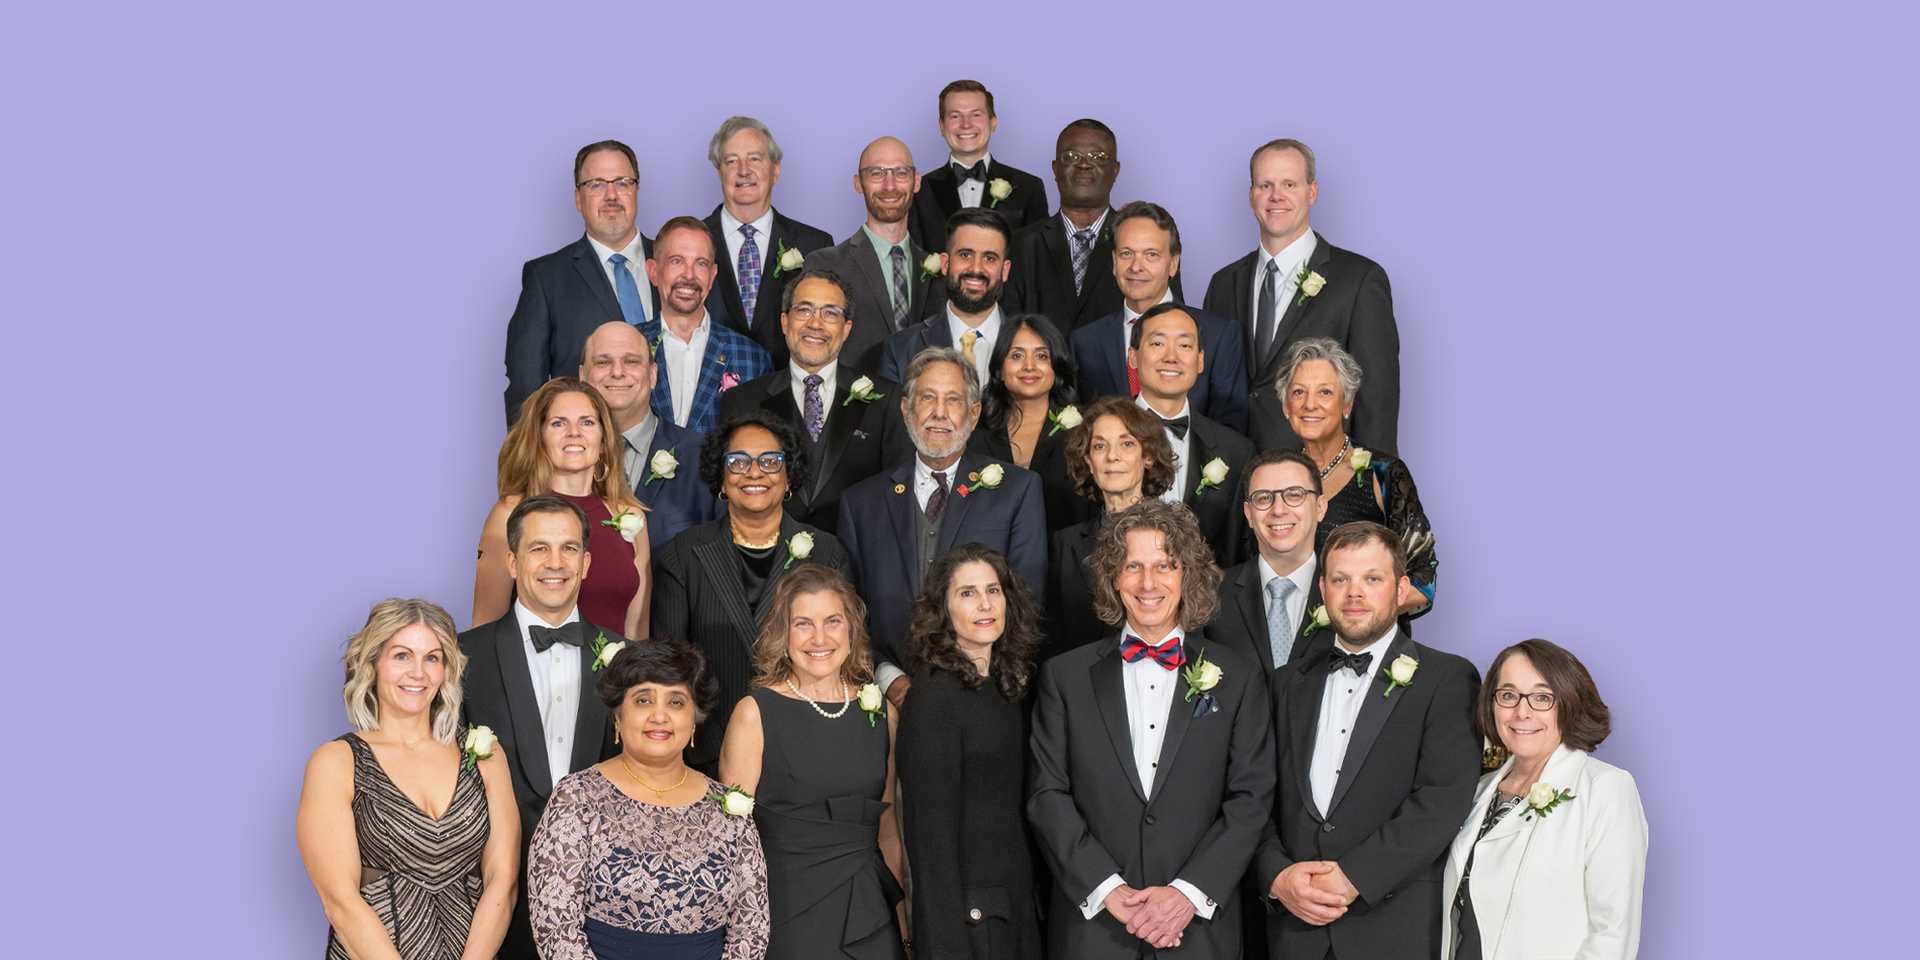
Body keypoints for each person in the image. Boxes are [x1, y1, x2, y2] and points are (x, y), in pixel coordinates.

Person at [1027, 500, 1274, 958]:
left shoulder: (1239, 676)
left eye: (1165, 565)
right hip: (1095, 930)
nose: (1148, 583)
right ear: (1111, 578)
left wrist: (1187, 894)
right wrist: (1107, 890)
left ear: (1188, 576)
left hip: (1198, 931)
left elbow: (1251, 799)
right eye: (1132, 566)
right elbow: (1047, 795)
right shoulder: (1063, 677)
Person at [1253, 521, 1480, 960]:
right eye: (1341, 579)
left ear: (1400, 589)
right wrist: (1278, 876)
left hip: (1394, 931)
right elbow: (1258, 795)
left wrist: (1354, 876)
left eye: (1372, 579)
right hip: (1294, 934)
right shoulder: (1285, 684)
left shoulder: (1448, 678)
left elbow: (1442, 799)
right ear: (1323, 589)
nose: (1354, 593)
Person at [299, 599, 519, 960]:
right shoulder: (336, 762)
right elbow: (340, 901)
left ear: (446, 669)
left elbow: (503, 880)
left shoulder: (486, 756)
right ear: (373, 663)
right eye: (402, 655)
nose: (418, 672)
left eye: (432, 658)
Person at [528, 638, 771, 960]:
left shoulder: (727, 806)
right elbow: (555, 926)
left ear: (694, 720)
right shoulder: (577, 797)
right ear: (618, 717)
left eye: (676, 702)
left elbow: (752, 925)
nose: (660, 716)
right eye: (643, 701)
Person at [461, 496, 626, 959]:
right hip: (494, 905)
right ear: (512, 562)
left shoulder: (629, 661)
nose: (556, 563)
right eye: (539, 549)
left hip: (606, 907)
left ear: (587, 563)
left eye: (569, 549)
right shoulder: (461, 659)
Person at [837, 347, 1047, 707]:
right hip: (891, 703)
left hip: (988, 698)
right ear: (906, 408)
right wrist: (889, 681)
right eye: (927, 398)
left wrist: (977, 679)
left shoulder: (1018, 490)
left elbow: (1026, 604)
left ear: (974, 412)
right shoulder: (860, 503)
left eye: (953, 400)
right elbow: (848, 614)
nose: (939, 413)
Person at [718, 566, 906, 960]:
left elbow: (887, 829)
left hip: (868, 915)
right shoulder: (754, 713)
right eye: (803, 623)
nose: (819, 638)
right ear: (782, 634)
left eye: (832, 621)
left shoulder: (882, 715)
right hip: (784, 912)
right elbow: (732, 841)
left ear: (851, 630)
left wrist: (903, 927)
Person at [652, 410, 851, 775]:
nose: (755, 472)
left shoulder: (827, 553)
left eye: (771, 461)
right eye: (738, 461)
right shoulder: (684, 554)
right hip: (708, 756)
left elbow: (845, 658)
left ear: (789, 475)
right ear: (720, 478)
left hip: (805, 749)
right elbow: (669, 667)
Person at [1441, 640, 1647, 959]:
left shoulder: (1606, 788)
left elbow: (1612, 932)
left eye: (1541, 698)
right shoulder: (1479, 791)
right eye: (1508, 695)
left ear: (1569, 704)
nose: (1522, 712)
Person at [1202, 138, 1401, 454]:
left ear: (1312, 192)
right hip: (1234, 479)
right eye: (1264, 185)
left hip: (1319, 480)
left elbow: (1376, 403)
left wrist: (1374, 488)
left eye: (1289, 184)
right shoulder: (1223, 284)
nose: (1275, 195)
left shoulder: (1359, 280)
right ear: (1251, 195)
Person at [897, 544, 1045, 959]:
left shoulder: (1007, 683)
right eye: (967, 593)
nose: (984, 604)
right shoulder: (934, 696)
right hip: (970, 924)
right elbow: (930, 842)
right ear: (942, 608)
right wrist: (945, 944)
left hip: (1016, 906)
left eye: (993, 590)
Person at [720, 268, 912, 535]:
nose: (815, 324)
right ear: (785, 322)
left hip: (855, 562)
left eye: (830, 313)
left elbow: (897, 497)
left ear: (846, 329)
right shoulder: (741, 402)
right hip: (768, 563)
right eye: (804, 310)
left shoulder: (886, 398)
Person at [477, 379, 650, 640]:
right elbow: (484, 628)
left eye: (587, 422)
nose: (574, 432)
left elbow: (637, 633)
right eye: (559, 423)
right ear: (539, 437)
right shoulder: (509, 514)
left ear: (604, 440)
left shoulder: (630, 517)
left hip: (615, 678)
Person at [1277, 337, 1435, 618]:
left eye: (1325, 392)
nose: (1309, 404)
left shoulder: (1384, 474)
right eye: (1298, 392)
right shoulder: (1271, 478)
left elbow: (1424, 582)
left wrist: (1351, 616)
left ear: (1347, 404)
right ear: (1286, 406)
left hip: (1364, 644)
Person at [505, 139, 660, 424]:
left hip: (681, 455)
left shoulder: (676, 264)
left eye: (623, 182)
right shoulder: (545, 278)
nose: (612, 195)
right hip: (586, 457)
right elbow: (526, 389)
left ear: (637, 191)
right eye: (597, 184)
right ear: (578, 199)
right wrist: (531, 465)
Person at [1070, 201, 1248, 431]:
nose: (1136, 266)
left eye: (1151, 255)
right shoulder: (1085, 341)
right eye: (1126, 254)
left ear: (1173, 264)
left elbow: (1230, 431)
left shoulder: (1219, 335)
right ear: (1114, 263)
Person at [1047, 397, 1177, 657]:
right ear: (1088, 461)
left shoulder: (1179, 535)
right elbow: (1056, 640)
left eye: (1126, 444)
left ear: (1148, 456)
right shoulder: (1065, 544)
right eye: (1099, 446)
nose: (1112, 456)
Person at [805, 136, 947, 373]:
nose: (890, 186)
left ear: (916, 182)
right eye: (877, 173)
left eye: (900, 173)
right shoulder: (825, 264)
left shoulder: (940, 269)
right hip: (856, 406)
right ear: (858, 183)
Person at [699, 116, 835, 363]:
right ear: (719, 171)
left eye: (754, 159)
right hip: (709, 393)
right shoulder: (693, 242)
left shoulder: (816, 245)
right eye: (731, 161)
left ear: (776, 170)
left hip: (787, 393)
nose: (743, 170)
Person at [1005, 119, 1161, 330]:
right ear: (1055, 169)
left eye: (1098, 157)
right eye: (1071, 156)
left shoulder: (1148, 241)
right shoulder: (1020, 245)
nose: (1084, 164)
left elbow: (1168, 322)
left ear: (1115, 170)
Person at [579, 320, 720, 553]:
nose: (617, 372)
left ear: (653, 375)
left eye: (631, 361)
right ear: (582, 376)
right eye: (603, 362)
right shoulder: (557, 455)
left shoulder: (701, 456)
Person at [1132, 303, 1255, 568]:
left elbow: (1235, 550)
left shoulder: (1235, 451)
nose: (1171, 357)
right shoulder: (1098, 439)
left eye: (1185, 346)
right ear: (1132, 356)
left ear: (1200, 361)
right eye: (1157, 344)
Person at [640, 216, 772, 437]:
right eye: (676, 261)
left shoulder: (753, 358)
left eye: (701, 263)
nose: (689, 275)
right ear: (653, 271)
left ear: (712, 276)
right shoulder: (628, 346)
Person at [1210, 450, 1331, 674]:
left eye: (1294, 495)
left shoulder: (1347, 594)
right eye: (1264, 498)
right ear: (1248, 513)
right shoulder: (1213, 594)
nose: (1278, 510)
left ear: (1320, 507)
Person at [968, 311, 1089, 533]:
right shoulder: (976, 428)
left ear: (1056, 367)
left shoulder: (1085, 431)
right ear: (1000, 369)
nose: (1029, 366)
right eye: (1016, 356)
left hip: (1064, 558)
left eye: (1042, 356)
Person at [878, 207, 1014, 389]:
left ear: (1005, 270)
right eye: (965, 255)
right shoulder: (900, 349)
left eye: (989, 258)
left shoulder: (1032, 347)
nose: (976, 268)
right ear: (945, 263)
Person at [908, 79, 1050, 252]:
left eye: (976, 115)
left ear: (993, 123)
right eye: (955, 116)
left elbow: (1038, 259)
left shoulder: (1029, 188)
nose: (966, 124)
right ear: (942, 126)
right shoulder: (918, 191)